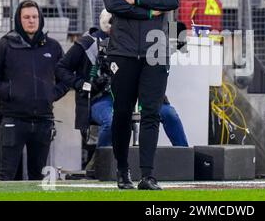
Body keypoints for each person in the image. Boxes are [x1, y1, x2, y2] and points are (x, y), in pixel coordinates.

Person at [101, 0, 179, 190]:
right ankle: (123, 172)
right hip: (122, 51)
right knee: (121, 113)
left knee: (152, 113)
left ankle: (148, 175)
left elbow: (172, 1)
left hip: (156, 52)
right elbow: (113, 5)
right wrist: (148, 11)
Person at [55, 9, 188, 151]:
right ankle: (103, 163)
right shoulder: (88, 43)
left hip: (139, 95)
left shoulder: (141, 39)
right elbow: (61, 68)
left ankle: (187, 160)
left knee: (170, 114)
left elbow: (177, 40)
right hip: (102, 98)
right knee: (111, 121)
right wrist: (82, 84)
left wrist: (173, 28)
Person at [0, 0, 68, 180]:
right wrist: (11, 91)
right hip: (13, 120)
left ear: (40, 19)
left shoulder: (53, 47)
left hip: (43, 121)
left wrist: (51, 94)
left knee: (38, 177)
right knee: (6, 175)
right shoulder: (3, 45)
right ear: (18, 20)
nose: (31, 21)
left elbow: (66, 77)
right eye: (26, 17)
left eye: (35, 17)